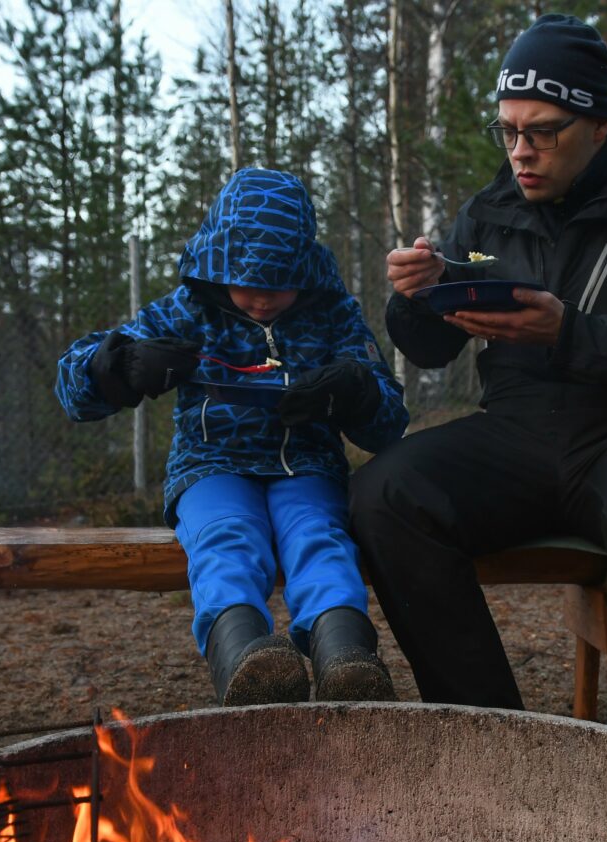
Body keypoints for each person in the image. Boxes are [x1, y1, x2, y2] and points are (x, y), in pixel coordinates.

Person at [349, 13, 607, 762]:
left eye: (543, 131)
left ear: (599, 125)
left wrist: (568, 333)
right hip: (515, 432)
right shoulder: (489, 210)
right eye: (508, 130)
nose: (520, 151)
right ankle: (501, 747)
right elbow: (434, 348)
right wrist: (415, 297)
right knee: (384, 494)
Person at [56, 168, 408, 707]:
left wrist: (354, 390)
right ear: (217, 264)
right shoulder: (187, 311)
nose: (263, 300)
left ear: (306, 270)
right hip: (211, 465)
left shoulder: (334, 317)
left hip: (307, 465)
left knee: (320, 539)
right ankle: (246, 659)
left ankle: (346, 660)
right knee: (226, 539)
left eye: (280, 284)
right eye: (247, 282)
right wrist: (119, 366)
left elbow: (389, 420)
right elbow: (73, 388)